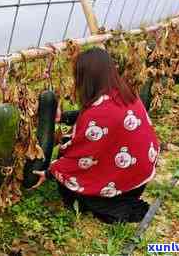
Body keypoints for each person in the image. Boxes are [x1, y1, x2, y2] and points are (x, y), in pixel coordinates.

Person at [33, 47, 159, 224]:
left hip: (120, 186)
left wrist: (50, 172)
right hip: (138, 176)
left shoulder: (98, 114)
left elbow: (80, 158)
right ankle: (119, 199)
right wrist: (65, 117)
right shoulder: (125, 94)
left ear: (87, 78)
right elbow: (101, 119)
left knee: (70, 192)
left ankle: (120, 208)